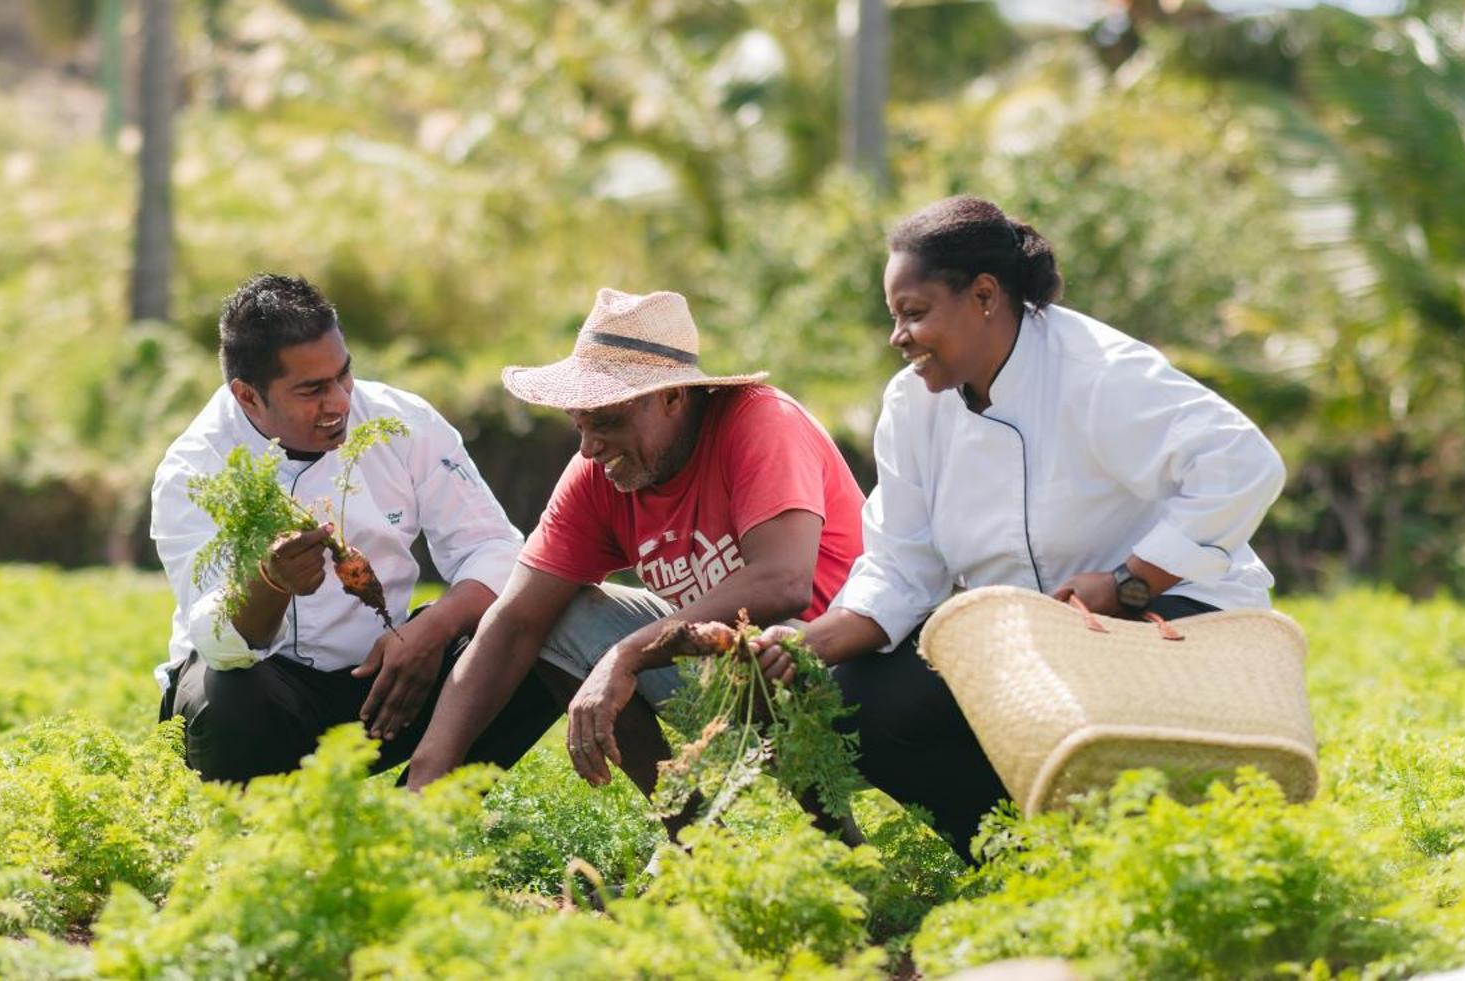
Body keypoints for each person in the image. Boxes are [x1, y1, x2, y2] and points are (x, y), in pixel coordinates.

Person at [757, 196, 1287, 856]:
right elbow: (902, 566)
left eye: (914, 313)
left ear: (984, 295)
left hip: (1163, 621)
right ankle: (1022, 858)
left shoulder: (1097, 371)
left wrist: (1130, 581)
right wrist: (811, 642)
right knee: (859, 701)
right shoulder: (911, 409)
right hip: (1031, 646)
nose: (899, 337)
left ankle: (1150, 853)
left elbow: (1244, 463)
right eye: (894, 318)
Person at [405, 287, 865, 800]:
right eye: (579, 423)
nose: (589, 447)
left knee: (764, 647)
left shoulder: (759, 423)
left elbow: (783, 582)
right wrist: (428, 776)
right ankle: (693, 839)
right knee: (558, 613)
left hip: (841, 667)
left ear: (672, 396)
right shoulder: (597, 470)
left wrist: (625, 654)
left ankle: (838, 852)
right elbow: (514, 622)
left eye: (606, 421)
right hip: (717, 671)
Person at [153, 273, 557, 783]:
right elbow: (217, 639)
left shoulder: (402, 421)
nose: (341, 401)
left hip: (389, 684)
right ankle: (261, 844)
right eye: (312, 390)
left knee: (550, 629)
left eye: (344, 375)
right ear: (247, 396)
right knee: (229, 694)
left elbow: (495, 547)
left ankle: (430, 808)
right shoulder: (196, 469)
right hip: (268, 698)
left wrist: (432, 629)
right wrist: (271, 583)